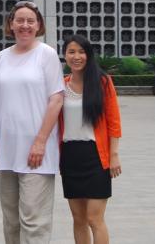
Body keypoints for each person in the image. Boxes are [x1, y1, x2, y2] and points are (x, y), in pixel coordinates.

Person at [0, 1, 64, 244]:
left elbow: (56, 100)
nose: (25, 25)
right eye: (19, 20)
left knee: (33, 220)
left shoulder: (47, 54)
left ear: (39, 25)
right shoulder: (0, 57)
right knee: (11, 220)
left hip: (36, 152)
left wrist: (40, 141)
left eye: (30, 21)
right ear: (10, 24)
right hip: (7, 149)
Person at [59, 34, 122, 244]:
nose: (77, 56)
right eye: (71, 52)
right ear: (65, 55)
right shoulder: (61, 86)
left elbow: (114, 122)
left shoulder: (102, 83)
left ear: (89, 54)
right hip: (70, 157)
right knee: (78, 219)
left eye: (81, 51)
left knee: (95, 218)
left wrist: (114, 155)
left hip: (96, 157)